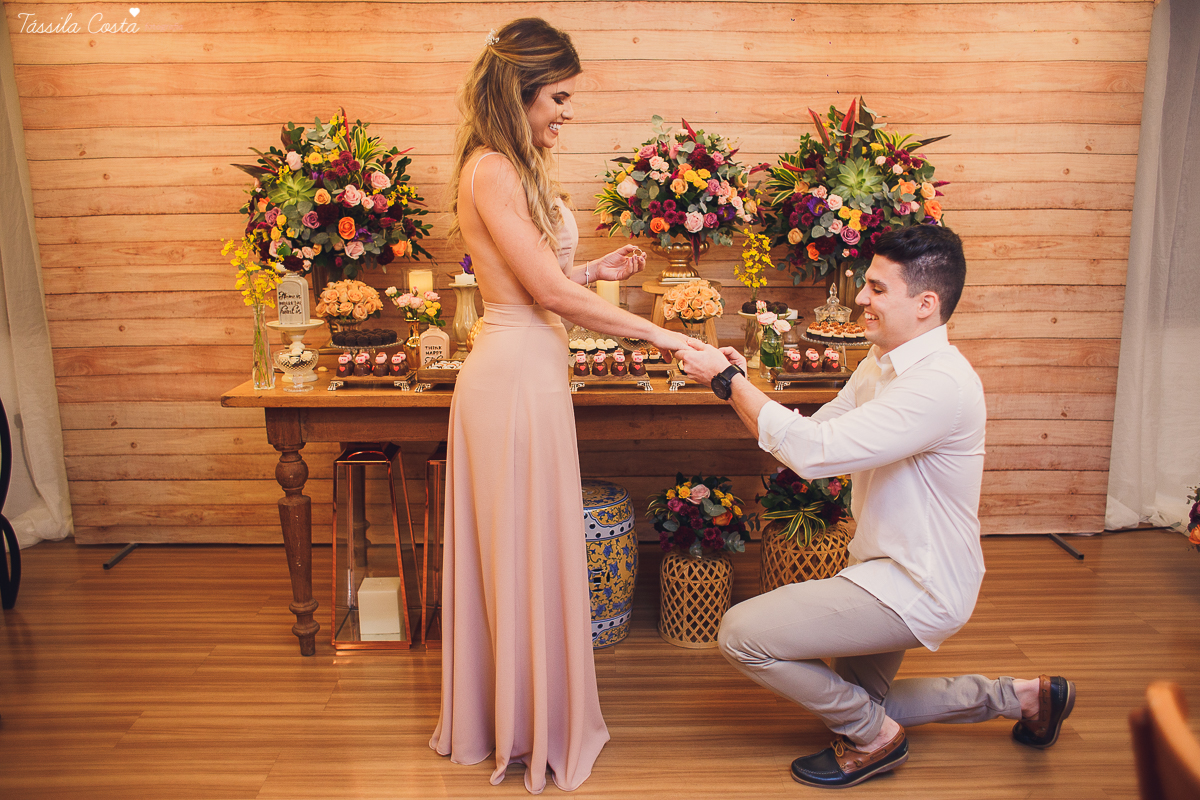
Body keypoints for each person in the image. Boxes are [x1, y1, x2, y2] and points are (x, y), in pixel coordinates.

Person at [675, 225, 1075, 789]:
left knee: (742, 633)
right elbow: (811, 439)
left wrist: (729, 380)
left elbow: (813, 453)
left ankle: (876, 738)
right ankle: (1023, 698)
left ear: (925, 304)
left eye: (876, 288)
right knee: (862, 697)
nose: (861, 298)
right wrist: (731, 386)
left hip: (921, 583)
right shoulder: (882, 361)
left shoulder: (939, 385)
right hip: (887, 567)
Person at [429, 18, 690, 794]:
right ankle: (520, 725)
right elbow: (544, 294)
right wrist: (661, 336)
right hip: (511, 376)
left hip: (533, 370)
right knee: (519, 553)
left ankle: (525, 711)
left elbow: (543, 273)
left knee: (531, 549)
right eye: (560, 97)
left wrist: (598, 264)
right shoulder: (492, 170)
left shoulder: (510, 166)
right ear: (522, 91)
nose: (566, 113)